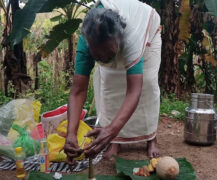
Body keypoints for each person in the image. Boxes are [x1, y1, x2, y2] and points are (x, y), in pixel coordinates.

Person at [64, 0, 162, 163]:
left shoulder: (133, 37)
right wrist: (71, 134)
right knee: (109, 87)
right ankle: (115, 141)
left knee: (148, 84)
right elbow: (78, 90)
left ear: (120, 40)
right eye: (98, 57)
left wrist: (112, 129)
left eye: (108, 54)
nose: (104, 59)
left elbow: (134, 91)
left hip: (148, 29)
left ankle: (151, 137)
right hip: (111, 42)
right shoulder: (86, 43)